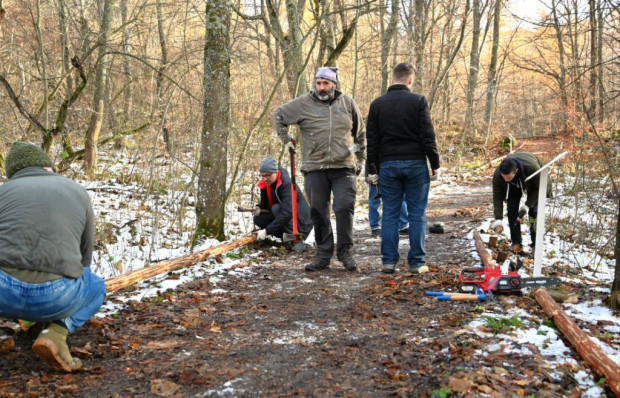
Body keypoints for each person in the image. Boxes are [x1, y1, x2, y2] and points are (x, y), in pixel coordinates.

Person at [0, 142, 106, 372]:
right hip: (58, 297)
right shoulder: (77, 191)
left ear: (14, 173)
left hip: (3, 294)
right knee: (96, 286)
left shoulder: (3, 192)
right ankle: (57, 332)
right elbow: (85, 258)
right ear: (47, 166)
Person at [273, 66, 366, 272]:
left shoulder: (347, 103)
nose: (322, 87)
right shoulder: (304, 103)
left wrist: (360, 159)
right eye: (318, 83)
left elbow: (360, 134)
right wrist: (286, 139)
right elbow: (278, 115)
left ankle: (345, 251)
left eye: (326, 83)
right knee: (318, 212)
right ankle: (323, 254)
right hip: (314, 167)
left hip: (344, 167)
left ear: (334, 84)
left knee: (343, 207)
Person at [366, 63, 440, 274]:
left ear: (392, 79)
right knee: (417, 214)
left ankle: (388, 262)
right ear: (410, 80)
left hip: (388, 165)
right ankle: (417, 262)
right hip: (416, 163)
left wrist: (373, 169)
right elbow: (428, 134)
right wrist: (434, 163)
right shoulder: (418, 101)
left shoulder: (377, 104)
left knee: (390, 214)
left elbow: (372, 140)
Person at [491, 152, 552, 252]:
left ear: (516, 170)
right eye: (503, 177)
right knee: (512, 209)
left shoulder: (533, 168)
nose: (505, 180)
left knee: (534, 211)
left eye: (508, 177)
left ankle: (536, 244)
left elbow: (540, 188)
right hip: (514, 184)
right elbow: (497, 197)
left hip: (532, 182)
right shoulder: (498, 175)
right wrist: (498, 218)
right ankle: (516, 242)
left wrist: (527, 205)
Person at [253, 157, 313, 252]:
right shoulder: (265, 184)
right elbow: (265, 204)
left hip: (303, 223)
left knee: (276, 208)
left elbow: (287, 213)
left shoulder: (287, 185)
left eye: (268, 175)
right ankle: (286, 238)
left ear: (275, 172)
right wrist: (258, 208)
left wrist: (266, 231)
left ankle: (297, 239)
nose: (265, 179)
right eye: (263, 175)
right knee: (259, 218)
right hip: (286, 217)